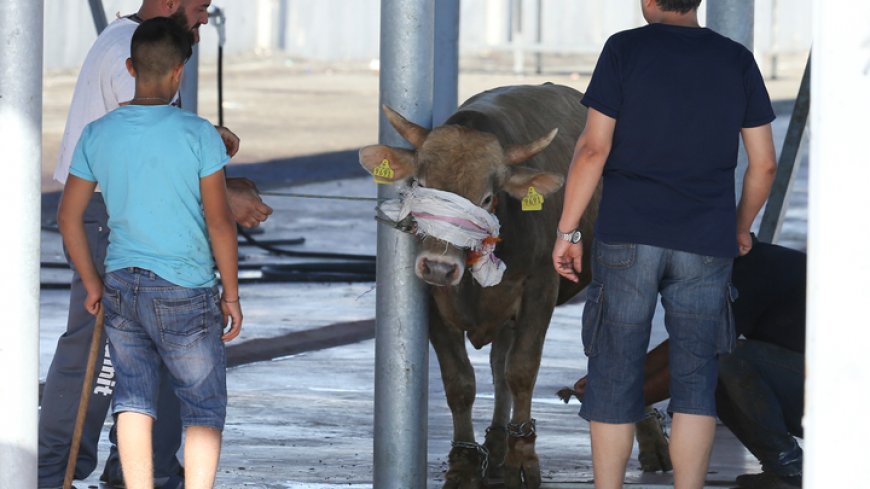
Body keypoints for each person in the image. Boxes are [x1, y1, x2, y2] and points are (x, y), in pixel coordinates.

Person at [38, 1, 272, 488]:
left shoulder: (120, 76)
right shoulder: (135, 56)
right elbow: (164, 166)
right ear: (178, 71)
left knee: (134, 394)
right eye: (200, 6)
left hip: (116, 248)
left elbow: (74, 205)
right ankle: (57, 470)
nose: (206, 17)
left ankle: (141, 475)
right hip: (125, 231)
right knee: (107, 364)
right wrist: (230, 208)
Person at [550, 1, 777, 488]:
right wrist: (738, 227)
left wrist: (567, 230)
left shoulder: (624, 50)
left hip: (628, 236)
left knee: (614, 371)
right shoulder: (735, 58)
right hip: (704, 241)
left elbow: (593, 148)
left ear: (649, 1)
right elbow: (763, 164)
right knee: (695, 379)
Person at [570, 239, 806, 489]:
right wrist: (620, 380)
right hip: (809, 384)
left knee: (724, 360)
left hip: (832, 397)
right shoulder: (747, 264)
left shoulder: (752, 272)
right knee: (714, 372)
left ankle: (789, 470)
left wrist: (617, 396)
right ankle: (780, 467)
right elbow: (683, 346)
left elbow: (699, 354)